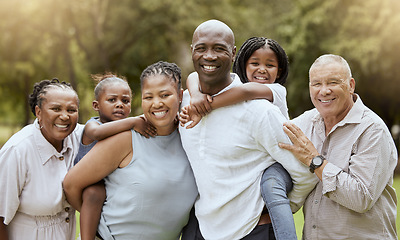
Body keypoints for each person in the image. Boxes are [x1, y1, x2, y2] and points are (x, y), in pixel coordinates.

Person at [179, 19, 317, 240]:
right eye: (202, 48)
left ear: (233, 54)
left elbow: (305, 173)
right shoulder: (184, 103)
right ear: (192, 51)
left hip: (252, 230)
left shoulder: (260, 111)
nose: (210, 56)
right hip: (201, 228)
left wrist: (278, 208)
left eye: (219, 49)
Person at [63, 61, 198, 240]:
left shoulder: (191, 138)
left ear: (180, 96)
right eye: (148, 97)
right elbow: (71, 185)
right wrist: (96, 221)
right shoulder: (126, 138)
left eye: (164, 95)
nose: (157, 103)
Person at [279, 54, 398, 240]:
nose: (324, 91)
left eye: (333, 82)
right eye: (316, 84)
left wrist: (314, 160)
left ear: (350, 85)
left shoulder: (372, 129)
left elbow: (361, 198)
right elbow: (265, 135)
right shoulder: (306, 122)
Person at [74, 73, 156, 240]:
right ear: (96, 105)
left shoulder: (124, 130)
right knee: (94, 193)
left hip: (110, 181)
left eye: (125, 101)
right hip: (90, 182)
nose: (119, 105)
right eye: (112, 100)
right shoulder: (93, 125)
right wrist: (133, 121)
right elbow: (97, 134)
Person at [0, 78, 83, 240]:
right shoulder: (17, 151)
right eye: (56, 109)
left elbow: (105, 127)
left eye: (71, 110)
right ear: (38, 112)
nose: (65, 116)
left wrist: (138, 121)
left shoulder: (78, 136)